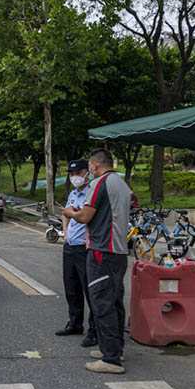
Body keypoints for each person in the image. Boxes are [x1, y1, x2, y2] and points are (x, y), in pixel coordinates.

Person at [60, 148, 130, 374]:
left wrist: (70, 213)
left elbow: (85, 216)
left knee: (101, 302)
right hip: (118, 250)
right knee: (115, 301)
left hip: (102, 249)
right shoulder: (121, 184)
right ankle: (115, 348)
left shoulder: (100, 183)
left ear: (95, 165)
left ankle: (111, 359)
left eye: (89, 166)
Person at [55, 158, 98, 349]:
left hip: (84, 248)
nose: (75, 177)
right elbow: (66, 213)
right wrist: (65, 232)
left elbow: (88, 216)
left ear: (87, 173)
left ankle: (94, 330)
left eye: (78, 173)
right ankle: (74, 323)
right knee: (71, 289)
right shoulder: (73, 193)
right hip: (70, 247)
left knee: (90, 290)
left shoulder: (92, 193)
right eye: (72, 174)